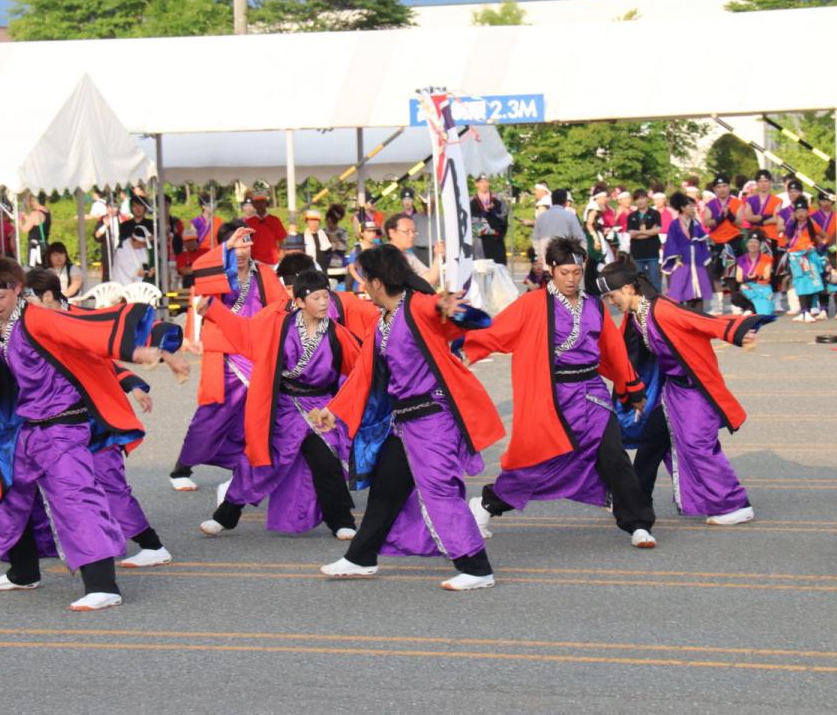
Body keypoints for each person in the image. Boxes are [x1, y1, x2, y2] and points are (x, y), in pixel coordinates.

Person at [0, 257, 165, 610]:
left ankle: (103, 585)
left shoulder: (39, 317)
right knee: (12, 497)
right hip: (27, 430)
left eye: (0, 296)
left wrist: (143, 352)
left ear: (16, 289)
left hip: (64, 427)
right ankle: (23, 573)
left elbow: (89, 336)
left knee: (76, 500)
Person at [309, 245, 505, 590]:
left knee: (439, 490)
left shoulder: (418, 305)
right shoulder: (383, 321)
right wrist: (332, 411)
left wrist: (449, 307)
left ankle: (476, 567)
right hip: (403, 422)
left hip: (433, 418)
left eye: (365, 280)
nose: (363, 287)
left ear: (378, 282)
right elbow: (363, 375)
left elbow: (467, 318)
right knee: (386, 490)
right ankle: (360, 558)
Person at [463, 238, 657, 549]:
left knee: (614, 456)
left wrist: (631, 388)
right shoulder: (532, 304)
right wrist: (460, 351)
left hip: (592, 393)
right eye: (564, 272)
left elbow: (613, 351)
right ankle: (487, 504)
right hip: (551, 397)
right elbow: (494, 332)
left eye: (577, 272)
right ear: (551, 270)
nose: (570, 279)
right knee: (542, 464)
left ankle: (637, 522)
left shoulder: (594, 304)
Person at [601, 259, 769, 525]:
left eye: (612, 295)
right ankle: (636, 499)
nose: (611, 302)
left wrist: (738, 331)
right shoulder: (635, 316)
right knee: (658, 441)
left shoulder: (663, 310)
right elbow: (624, 354)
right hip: (671, 392)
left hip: (695, 388)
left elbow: (702, 321)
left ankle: (735, 503)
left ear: (629, 288)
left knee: (697, 445)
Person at [199, 269, 361, 539]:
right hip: (283, 405)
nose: (324, 303)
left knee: (325, 460)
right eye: (317, 297)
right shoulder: (278, 325)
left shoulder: (337, 334)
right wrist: (215, 310)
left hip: (319, 407)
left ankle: (342, 520)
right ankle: (226, 515)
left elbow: (361, 368)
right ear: (298, 302)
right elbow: (244, 332)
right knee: (259, 460)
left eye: (326, 297)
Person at [170, 223, 289, 491]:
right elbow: (200, 273)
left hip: (254, 350)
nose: (244, 248)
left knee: (255, 413)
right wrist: (225, 249)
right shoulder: (217, 271)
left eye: (247, 242)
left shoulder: (264, 273)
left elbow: (280, 306)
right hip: (225, 352)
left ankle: (248, 465)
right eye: (238, 243)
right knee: (213, 412)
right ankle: (182, 467)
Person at [661, 191, 712, 310]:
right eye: (690, 206)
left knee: (698, 289)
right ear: (683, 208)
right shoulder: (674, 224)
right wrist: (676, 259)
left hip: (697, 259)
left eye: (694, 206)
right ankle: (684, 317)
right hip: (682, 260)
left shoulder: (696, 223)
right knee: (682, 288)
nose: (693, 208)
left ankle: (700, 317)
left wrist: (704, 257)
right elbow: (671, 243)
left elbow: (702, 242)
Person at [703, 174, 743, 315]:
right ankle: (717, 304)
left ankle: (736, 302)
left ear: (729, 187)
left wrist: (730, 215)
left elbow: (740, 222)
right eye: (719, 187)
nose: (722, 189)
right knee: (715, 273)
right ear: (715, 189)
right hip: (717, 242)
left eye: (725, 186)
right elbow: (706, 222)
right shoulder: (710, 204)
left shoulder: (736, 202)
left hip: (733, 240)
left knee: (732, 273)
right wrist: (720, 218)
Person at [783, 199, 826, 322]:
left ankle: (810, 309)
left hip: (809, 256)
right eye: (798, 212)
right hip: (796, 257)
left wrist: (817, 247)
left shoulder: (811, 223)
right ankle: (804, 311)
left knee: (811, 282)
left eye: (803, 211)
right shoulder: (792, 224)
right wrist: (791, 221)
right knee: (800, 282)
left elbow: (825, 237)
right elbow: (788, 237)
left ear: (807, 212)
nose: (801, 214)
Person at [384, 212, 443, 290]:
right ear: (391, 232)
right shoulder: (382, 255)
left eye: (414, 231)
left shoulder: (409, 256)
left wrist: (438, 255)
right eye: (406, 231)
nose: (412, 235)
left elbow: (429, 279)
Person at [532, 188, 584, 263]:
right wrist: (581, 256)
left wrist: (538, 254)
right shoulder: (570, 214)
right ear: (565, 201)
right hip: (565, 255)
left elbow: (535, 237)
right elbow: (579, 236)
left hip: (548, 254)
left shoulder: (543, 216)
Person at [626, 188, 662, 293]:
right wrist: (648, 232)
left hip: (652, 251)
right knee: (638, 280)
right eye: (637, 199)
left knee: (654, 278)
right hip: (637, 252)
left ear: (647, 199)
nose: (640, 201)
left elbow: (656, 231)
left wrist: (640, 232)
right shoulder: (631, 216)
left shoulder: (655, 213)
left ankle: (658, 302)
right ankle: (642, 303)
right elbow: (632, 234)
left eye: (642, 198)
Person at [730, 233, 775, 316]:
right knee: (735, 297)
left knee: (765, 313)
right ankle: (751, 308)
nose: (753, 245)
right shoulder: (741, 259)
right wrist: (748, 277)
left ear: (760, 245)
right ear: (747, 244)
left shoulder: (766, 258)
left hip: (762, 286)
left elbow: (767, 276)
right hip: (748, 286)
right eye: (750, 242)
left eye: (756, 243)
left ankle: (756, 308)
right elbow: (738, 278)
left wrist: (757, 276)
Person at [470, 175, 508, 266]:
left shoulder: (498, 200)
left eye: (486, 181)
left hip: (496, 240)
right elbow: (470, 222)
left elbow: (504, 219)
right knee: (480, 269)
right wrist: (484, 213)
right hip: (480, 242)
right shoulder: (471, 201)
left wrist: (493, 213)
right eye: (481, 182)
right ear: (476, 184)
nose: (484, 184)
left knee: (498, 269)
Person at [246, 190, 287, 265]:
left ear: (266, 203)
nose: (260, 204)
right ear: (253, 204)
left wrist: (281, 253)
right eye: (257, 202)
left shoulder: (275, 220)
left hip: (273, 261)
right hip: (255, 261)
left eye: (262, 201)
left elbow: (282, 239)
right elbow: (246, 241)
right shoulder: (248, 222)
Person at [345, 220, 381, 294]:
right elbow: (352, 269)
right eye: (369, 232)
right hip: (360, 287)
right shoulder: (357, 249)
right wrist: (362, 282)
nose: (372, 234)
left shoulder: (378, 248)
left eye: (374, 232)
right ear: (362, 233)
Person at [399, 188, 432, 265]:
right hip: (406, 248)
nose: (407, 202)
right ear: (402, 201)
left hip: (420, 248)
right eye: (405, 199)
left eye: (409, 199)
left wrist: (424, 201)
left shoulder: (420, 214)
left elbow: (429, 209)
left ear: (413, 201)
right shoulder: (399, 216)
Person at [20, 196, 52, 267]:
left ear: (36, 201)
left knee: (33, 268)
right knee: (43, 267)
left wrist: (19, 222)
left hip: (35, 246)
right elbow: (37, 223)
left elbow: (25, 229)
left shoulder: (35, 213)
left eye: (32, 201)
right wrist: (26, 217)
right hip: (44, 243)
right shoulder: (47, 212)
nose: (31, 203)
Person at [322, 205, 349, 286]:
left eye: (330, 223)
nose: (328, 225)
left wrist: (335, 241)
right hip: (325, 263)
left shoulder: (342, 232)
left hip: (339, 263)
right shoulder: (323, 232)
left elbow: (343, 247)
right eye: (327, 222)